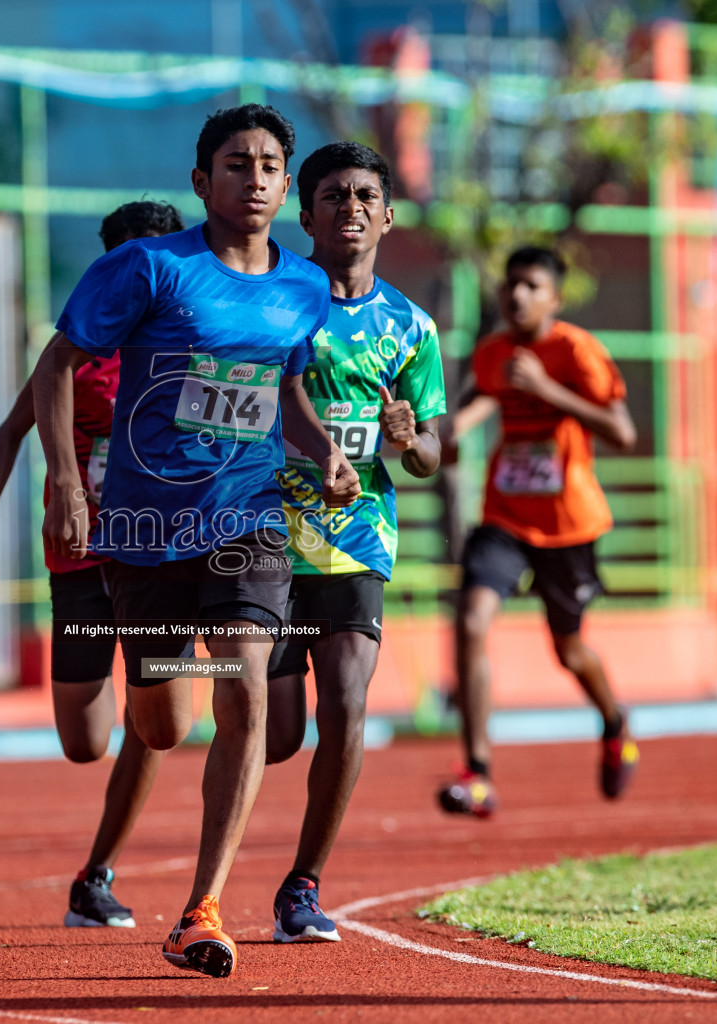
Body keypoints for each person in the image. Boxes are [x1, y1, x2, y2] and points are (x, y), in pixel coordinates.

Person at [33, 104, 359, 978]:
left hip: (246, 517)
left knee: (247, 673)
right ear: (201, 181)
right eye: (235, 163)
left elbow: (283, 387)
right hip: (143, 527)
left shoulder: (303, 287)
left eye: (266, 166)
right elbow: (55, 369)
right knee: (163, 721)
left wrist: (323, 449)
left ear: (285, 187)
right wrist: (67, 479)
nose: (252, 178)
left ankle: (202, 907)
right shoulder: (147, 267)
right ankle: (174, 675)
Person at [0, 200, 185, 929]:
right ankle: (150, 687)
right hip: (81, 564)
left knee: (159, 723)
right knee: (86, 743)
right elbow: (6, 435)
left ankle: (98, 874)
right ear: (110, 269)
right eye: (132, 263)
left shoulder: (197, 340)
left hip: (162, 562)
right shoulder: (78, 351)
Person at [264, 141, 446, 942]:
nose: (353, 207)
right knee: (273, 735)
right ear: (305, 215)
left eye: (367, 194)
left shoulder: (410, 325)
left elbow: (433, 454)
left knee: (344, 702)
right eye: (334, 195)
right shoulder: (270, 299)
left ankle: (302, 887)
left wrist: (411, 441)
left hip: (355, 536)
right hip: (262, 530)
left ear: (389, 213)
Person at [438, 246, 638, 820]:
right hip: (505, 517)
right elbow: (471, 415)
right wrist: (433, 438)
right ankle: (477, 773)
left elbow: (621, 433)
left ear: (554, 296)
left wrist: (549, 391)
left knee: (570, 650)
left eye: (530, 286)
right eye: (510, 285)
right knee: (472, 620)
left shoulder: (575, 350)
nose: (516, 295)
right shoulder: (494, 351)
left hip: (569, 525)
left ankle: (614, 721)